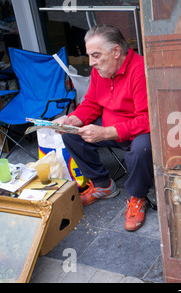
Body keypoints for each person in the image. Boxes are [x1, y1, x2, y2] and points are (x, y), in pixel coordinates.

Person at [57, 24, 153, 232]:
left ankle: (138, 197)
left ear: (116, 52)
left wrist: (107, 132)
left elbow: (147, 119)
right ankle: (103, 185)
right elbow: (91, 103)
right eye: (90, 56)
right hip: (110, 125)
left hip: (138, 130)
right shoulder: (99, 72)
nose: (91, 63)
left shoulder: (140, 70)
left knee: (142, 149)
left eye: (96, 55)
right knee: (71, 135)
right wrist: (73, 120)